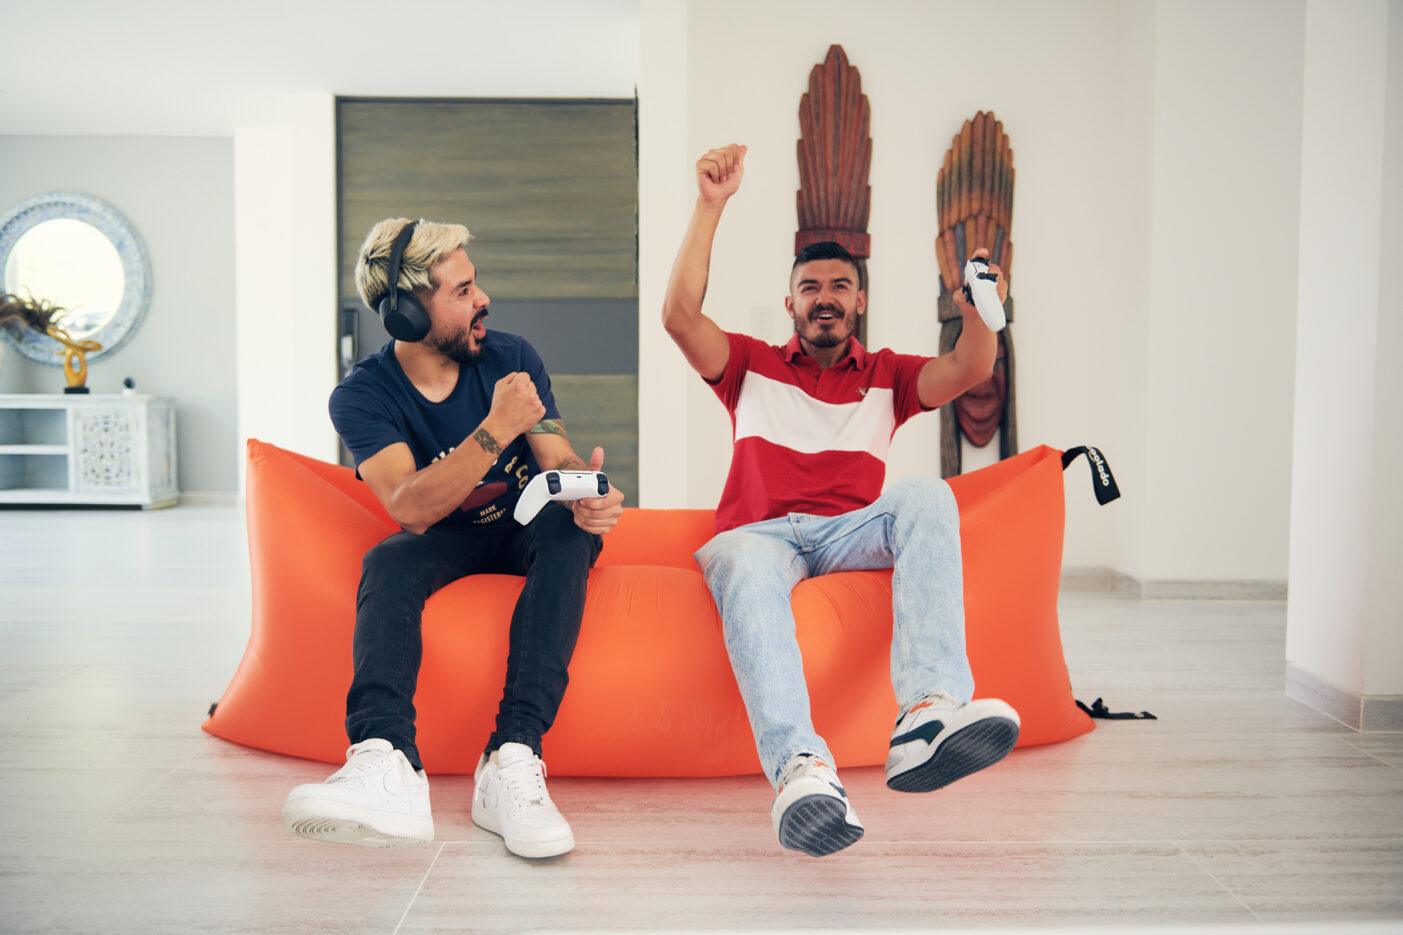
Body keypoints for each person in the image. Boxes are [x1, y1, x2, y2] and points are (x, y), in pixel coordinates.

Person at [662, 144, 1021, 857]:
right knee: (740, 560)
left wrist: (981, 309)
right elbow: (678, 317)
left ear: (859, 301)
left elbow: (972, 366)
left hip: (848, 531)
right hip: (760, 537)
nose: (823, 297)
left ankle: (926, 715)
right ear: (791, 302)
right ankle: (802, 769)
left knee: (926, 495)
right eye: (809, 287)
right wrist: (710, 205)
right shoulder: (748, 365)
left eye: (839, 286)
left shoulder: (889, 375)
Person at [282, 217, 625, 859]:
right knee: (387, 561)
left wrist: (587, 493)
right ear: (408, 313)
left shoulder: (512, 357)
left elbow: (557, 460)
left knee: (566, 531)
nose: (483, 299)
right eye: (463, 291)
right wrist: (495, 428)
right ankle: (386, 761)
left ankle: (512, 756)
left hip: (525, 524)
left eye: (475, 284)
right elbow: (409, 509)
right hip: (444, 537)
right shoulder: (361, 396)